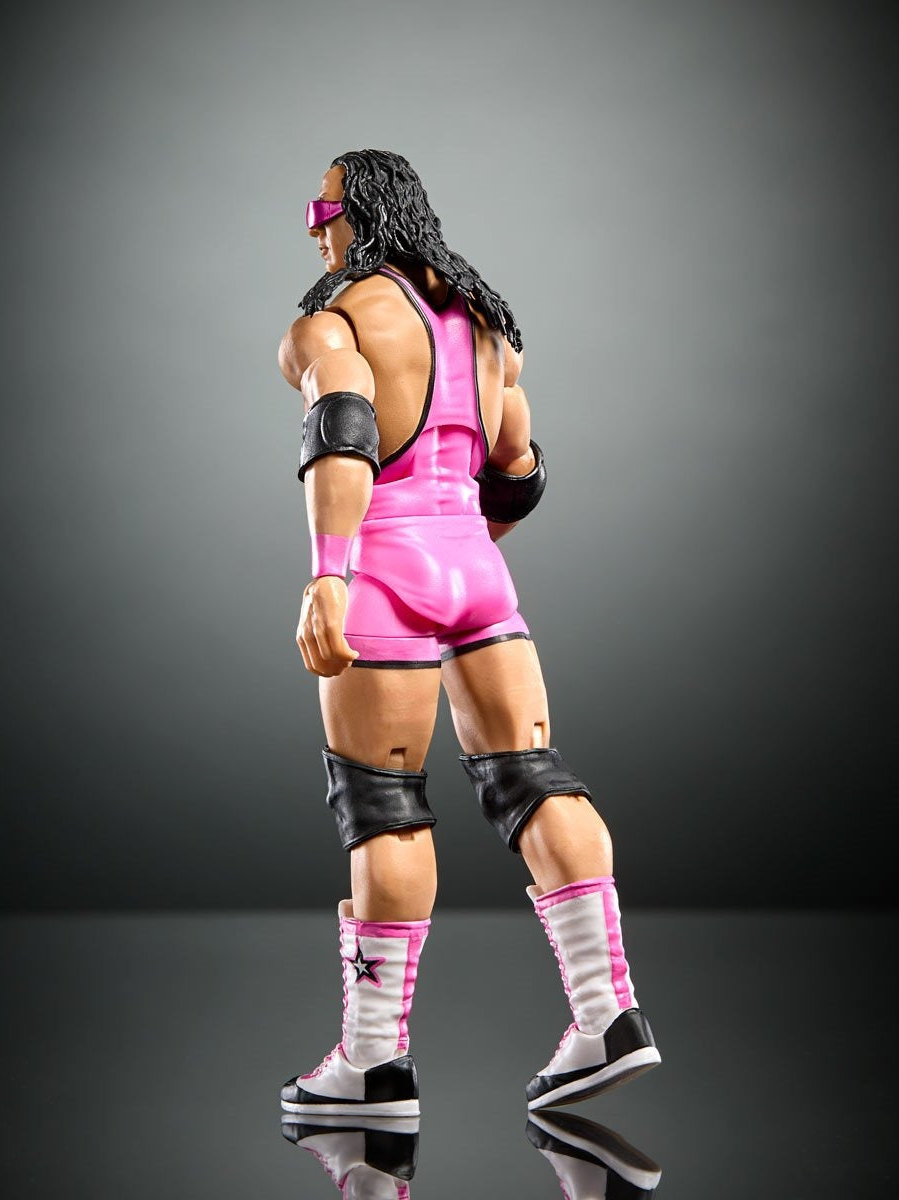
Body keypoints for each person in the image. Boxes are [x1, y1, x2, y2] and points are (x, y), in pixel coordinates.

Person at [277, 150, 658, 1117]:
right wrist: (459, 544)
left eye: (323, 208)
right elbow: (518, 471)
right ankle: (608, 1012)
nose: (315, 228)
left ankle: (373, 1063)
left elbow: (345, 432)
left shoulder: (334, 320)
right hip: (478, 571)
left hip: (384, 567)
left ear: (360, 214)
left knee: (385, 807)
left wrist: (329, 577)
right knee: (535, 779)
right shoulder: (485, 324)